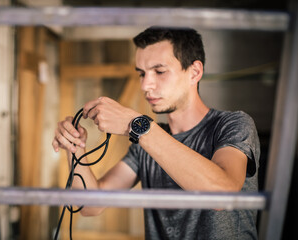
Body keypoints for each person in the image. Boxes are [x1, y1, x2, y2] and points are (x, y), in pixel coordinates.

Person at [52, 27, 260, 240]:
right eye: (141, 73)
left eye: (159, 71)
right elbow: (90, 206)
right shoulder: (146, 141)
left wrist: (136, 124)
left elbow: (222, 194)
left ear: (194, 72)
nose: (145, 85)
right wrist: (74, 148)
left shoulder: (233, 124)